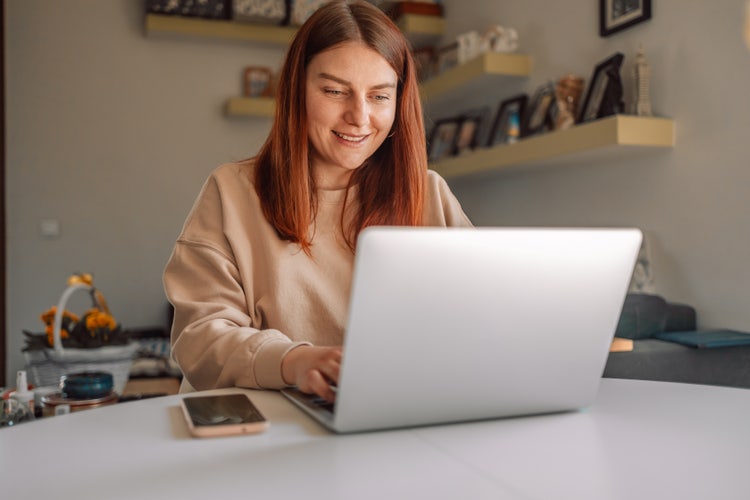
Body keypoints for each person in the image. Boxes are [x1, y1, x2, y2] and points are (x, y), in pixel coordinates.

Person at [163, 0, 472, 403]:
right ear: (297, 91)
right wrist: (294, 360)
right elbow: (199, 339)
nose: (359, 116)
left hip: (390, 418)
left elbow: (476, 320)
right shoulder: (231, 191)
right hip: (262, 429)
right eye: (334, 91)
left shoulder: (429, 194)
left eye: (379, 96)